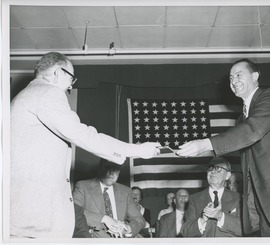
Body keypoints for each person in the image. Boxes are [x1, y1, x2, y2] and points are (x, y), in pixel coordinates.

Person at [10, 51, 161, 238]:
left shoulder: (24, 96)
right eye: (71, 79)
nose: (71, 87)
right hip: (35, 218)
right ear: (57, 73)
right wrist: (138, 150)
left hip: (22, 215)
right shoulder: (48, 92)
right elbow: (84, 135)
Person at [177, 59, 270, 237]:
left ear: (255, 76)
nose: (233, 81)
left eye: (239, 75)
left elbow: (252, 131)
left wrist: (205, 144)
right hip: (265, 211)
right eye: (231, 78)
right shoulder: (241, 119)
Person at [72, 159, 145, 238]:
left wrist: (126, 228)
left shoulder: (126, 191)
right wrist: (104, 218)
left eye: (115, 169)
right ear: (100, 168)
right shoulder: (82, 186)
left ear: (119, 171)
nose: (111, 173)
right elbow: (74, 214)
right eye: (107, 168)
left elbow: (139, 219)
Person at [181, 157, 242, 237]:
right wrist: (202, 220)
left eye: (218, 168)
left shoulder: (239, 198)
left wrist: (221, 217)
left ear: (227, 175)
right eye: (210, 168)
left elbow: (245, 230)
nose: (212, 171)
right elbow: (185, 232)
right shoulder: (194, 199)